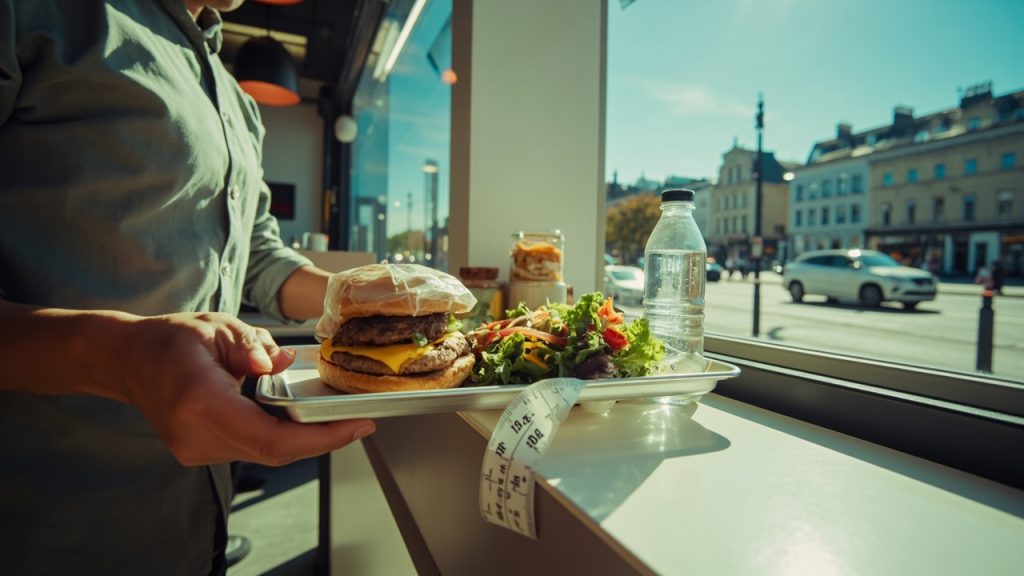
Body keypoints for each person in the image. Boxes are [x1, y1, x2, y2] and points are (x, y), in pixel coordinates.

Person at [0, 1, 375, 574]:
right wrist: (123, 355)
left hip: (193, 529)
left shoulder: (240, 104)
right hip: (46, 526)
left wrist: (374, 297)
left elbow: (259, 259)